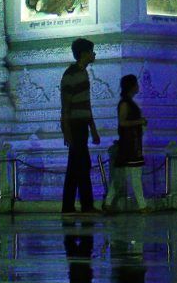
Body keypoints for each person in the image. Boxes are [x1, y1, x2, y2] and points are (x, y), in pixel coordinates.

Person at [59, 38, 100, 214]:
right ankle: (79, 205)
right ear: (84, 53)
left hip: (81, 125)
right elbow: (66, 105)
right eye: (92, 51)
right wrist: (66, 131)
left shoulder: (82, 73)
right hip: (75, 126)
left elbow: (86, 105)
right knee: (78, 165)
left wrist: (93, 129)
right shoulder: (71, 74)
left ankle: (80, 205)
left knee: (81, 165)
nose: (94, 54)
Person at [109, 75, 146, 213]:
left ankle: (108, 203)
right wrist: (140, 122)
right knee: (134, 176)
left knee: (120, 177)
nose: (138, 86)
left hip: (132, 144)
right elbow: (122, 122)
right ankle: (142, 206)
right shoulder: (125, 103)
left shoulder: (128, 102)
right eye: (136, 83)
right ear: (131, 86)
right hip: (129, 145)